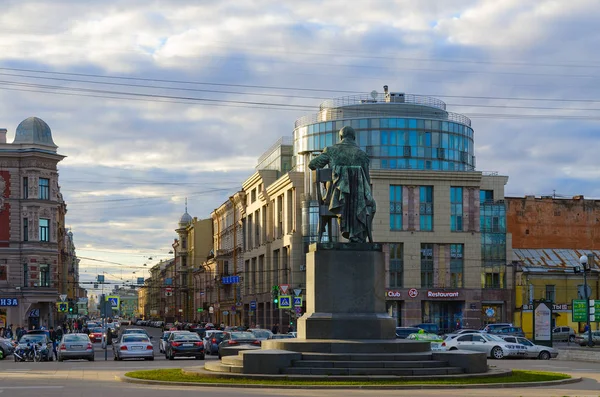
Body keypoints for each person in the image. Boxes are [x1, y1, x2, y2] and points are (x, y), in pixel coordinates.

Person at [308, 126, 376, 243]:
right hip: (358, 200)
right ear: (354, 138)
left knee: (339, 197)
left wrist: (329, 178)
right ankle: (361, 236)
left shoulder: (330, 150)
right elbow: (366, 180)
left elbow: (312, 164)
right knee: (373, 206)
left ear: (341, 137)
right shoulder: (362, 155)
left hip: (334, 199)